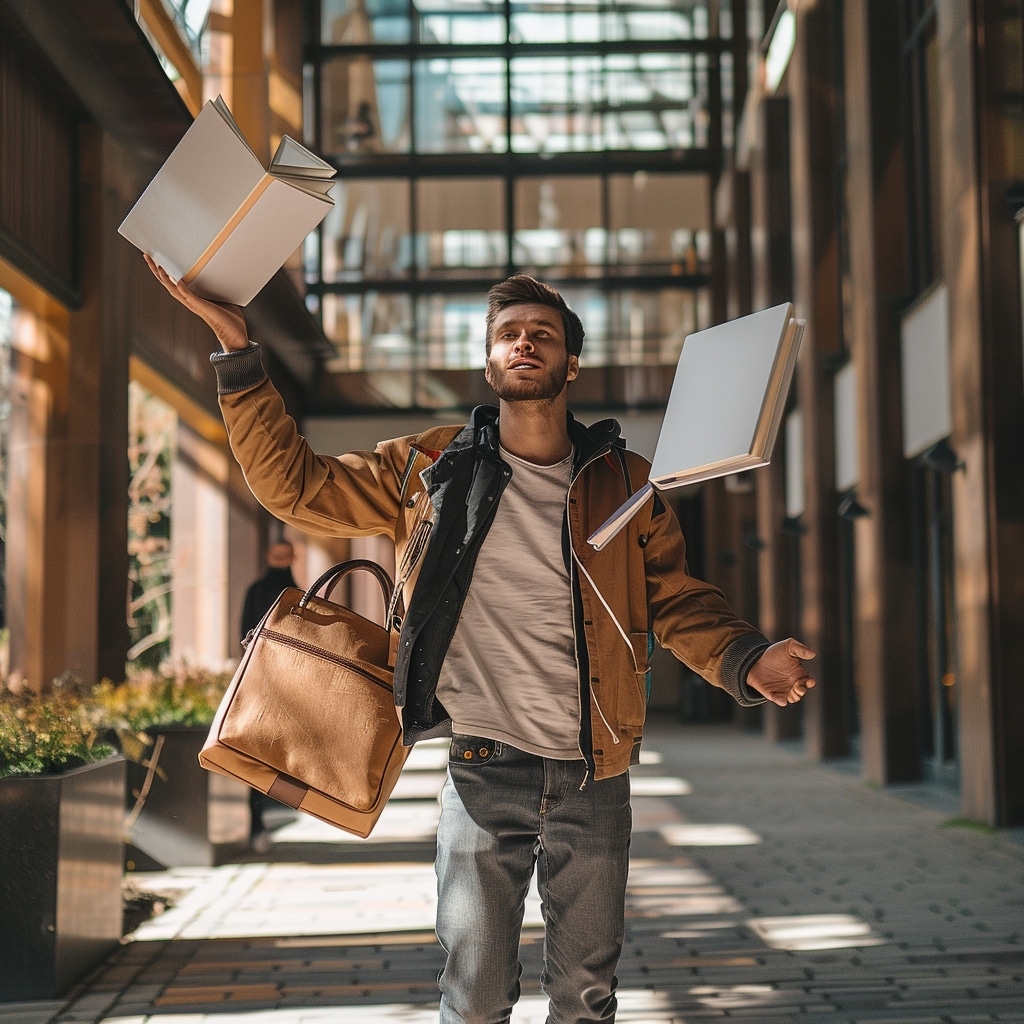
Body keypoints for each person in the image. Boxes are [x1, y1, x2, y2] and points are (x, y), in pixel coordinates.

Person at [145, 253, 816, 1024]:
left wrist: (745, 656)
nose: (524, 343)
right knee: (472, 1001)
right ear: (489, 360)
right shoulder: (430, 468)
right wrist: (236, 350)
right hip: (479, 766)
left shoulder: (625, 481)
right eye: (507, 334)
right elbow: (295, 486)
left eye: (542, 334)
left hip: (595, 773)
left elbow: (677, 600)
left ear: (571, 365)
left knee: (586, 998)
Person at [239, 538, 298, 846]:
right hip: (287, 685)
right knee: (279, 751)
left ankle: (257, 823)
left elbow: (243, 637)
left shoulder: (256, 592)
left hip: (261, 683)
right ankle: (270, 815)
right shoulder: (298, 595)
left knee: (258, 752)